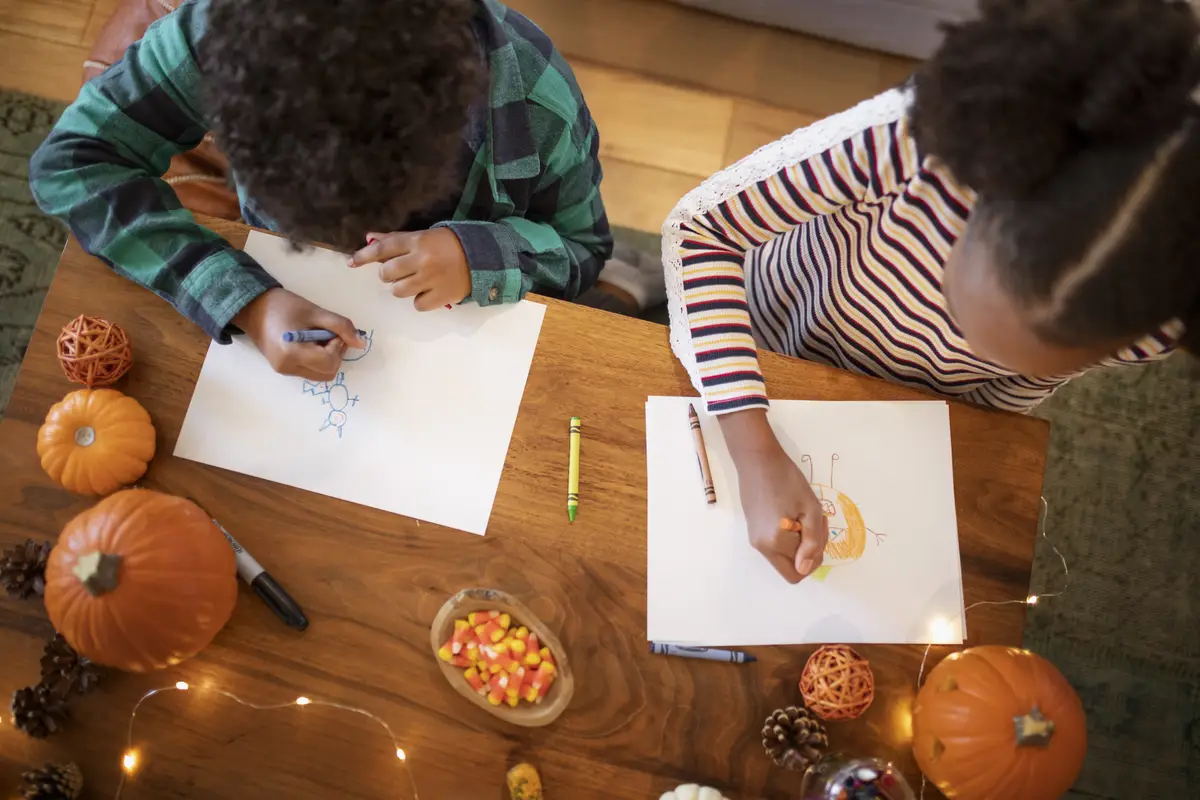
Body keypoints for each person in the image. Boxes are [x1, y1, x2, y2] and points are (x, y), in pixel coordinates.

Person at [662, 0, 1200, 583]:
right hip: (763, 335)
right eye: (963, 315)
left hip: (910, 413)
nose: (972, 347)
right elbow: (701, 232)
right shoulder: (922, 140)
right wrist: (754, 450)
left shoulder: (1153, 322)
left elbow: (1006, 396)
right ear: (974, 201)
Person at [30, 0, 632, 382]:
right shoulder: (219, 32)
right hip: (292, 302)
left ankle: (636, 282)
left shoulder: (538, 100)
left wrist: (476, 255)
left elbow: (583, 246)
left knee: (611, 309)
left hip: (473, 340)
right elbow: (72, 162)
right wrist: (246, 301)